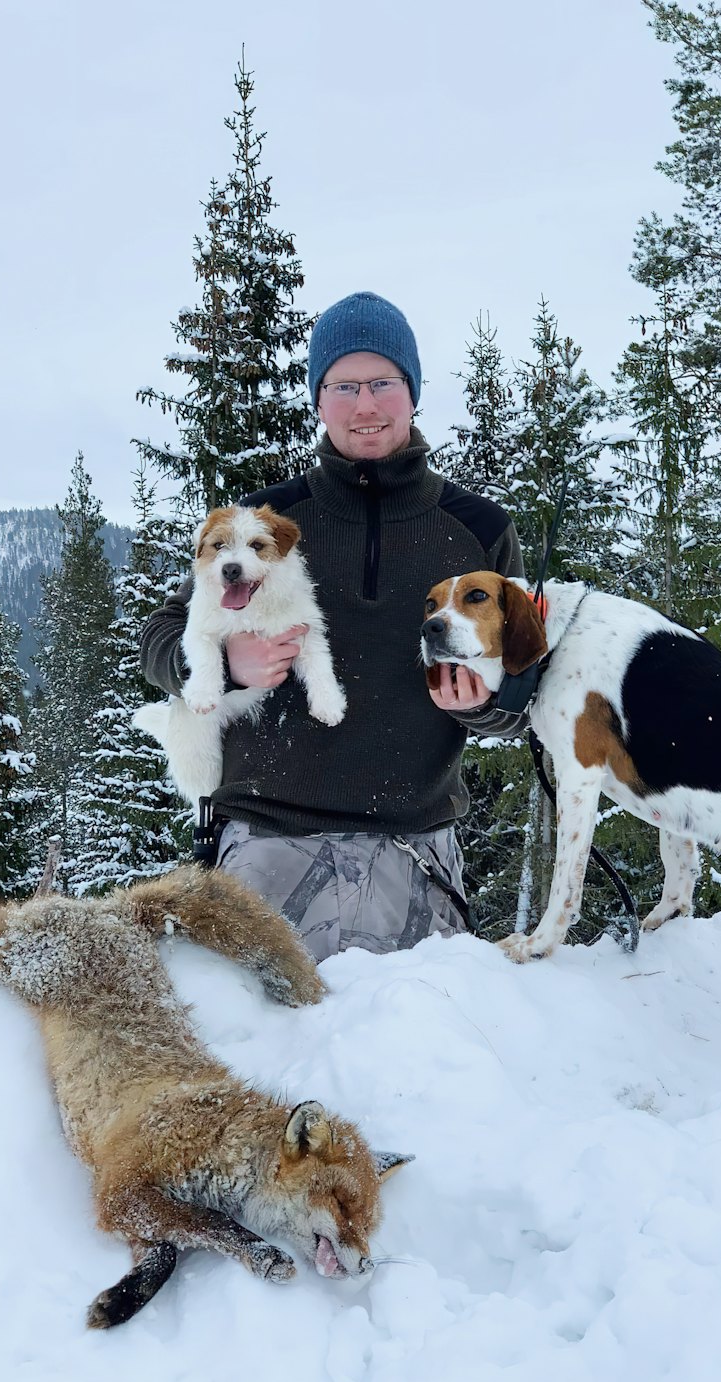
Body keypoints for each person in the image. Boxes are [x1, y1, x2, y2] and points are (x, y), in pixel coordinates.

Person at [141, 291, 525, 960]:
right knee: (268, 1057)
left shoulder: (480, 532)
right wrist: (228, 667)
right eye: (344, 385)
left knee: (428, 1056)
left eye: (383, 382)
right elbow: (160, 639)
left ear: (413, 392)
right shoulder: (264, 522)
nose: (365, 404)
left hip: (416, 847)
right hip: (265, 845)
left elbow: (526, 685)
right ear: (319, 399)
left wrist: (488, 707)